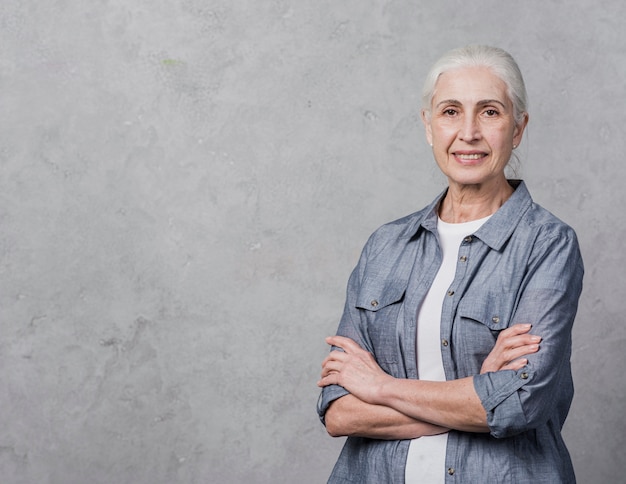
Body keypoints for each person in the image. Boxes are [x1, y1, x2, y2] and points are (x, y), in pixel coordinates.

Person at [316, 45, 584, 483]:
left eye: (491, 112)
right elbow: (339, 411)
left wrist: (380, 387)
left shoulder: (547, 244)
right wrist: (475, 393)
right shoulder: (385, 245)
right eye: (451, 111)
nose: (469, 132)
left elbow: (519, 403)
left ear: (518, 128)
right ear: (428, 125)